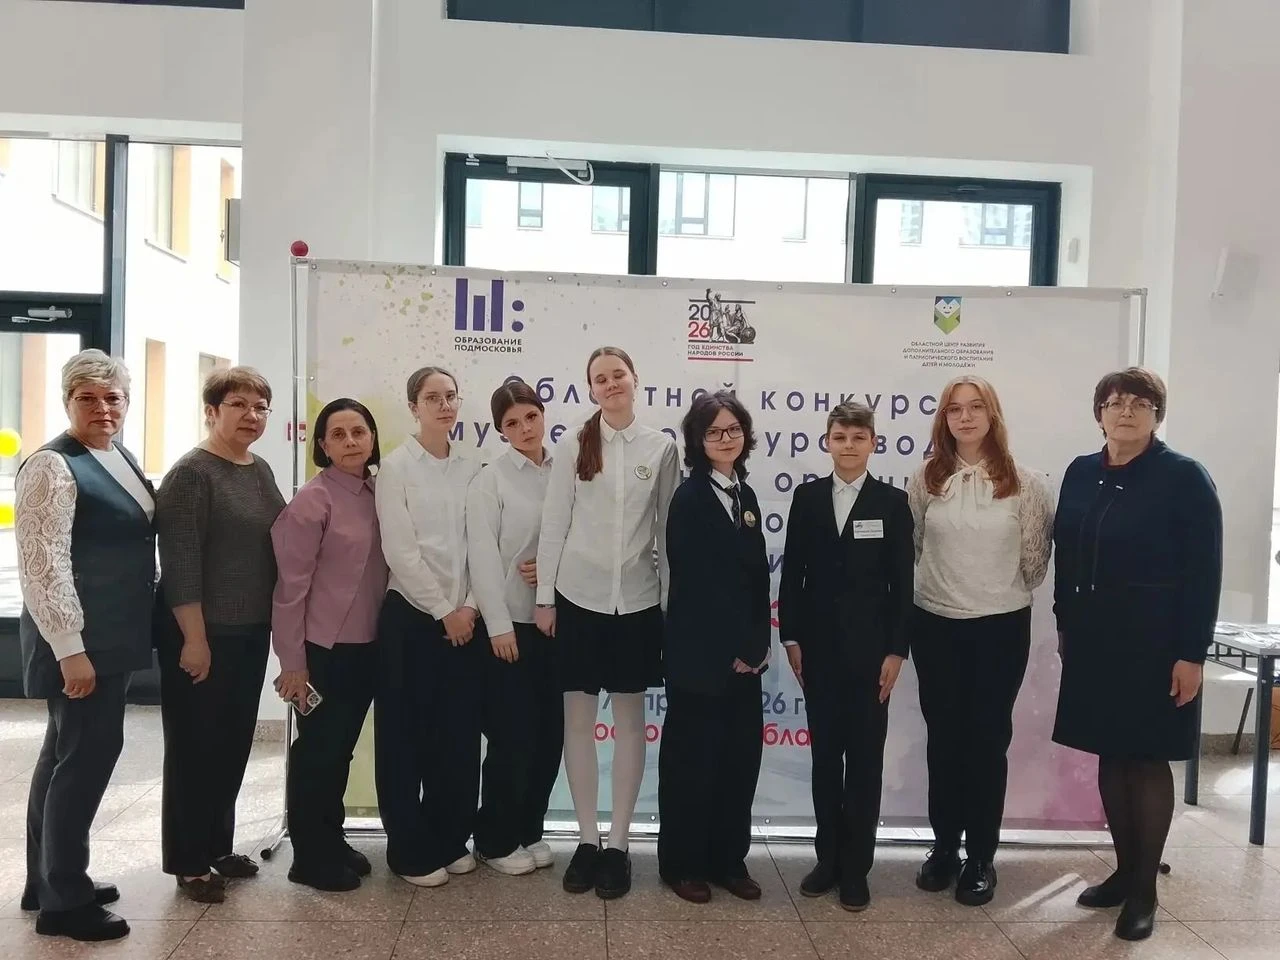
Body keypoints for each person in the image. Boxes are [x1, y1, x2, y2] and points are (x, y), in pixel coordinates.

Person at [1053, 368, 1221, 942]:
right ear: (1098, 412)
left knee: (1146, 760)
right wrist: (1064, 622)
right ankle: (1124, 873)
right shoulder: (1081, 471)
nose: (1126, 412)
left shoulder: (1184, 477)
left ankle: (1145, 889)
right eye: (1115, 402)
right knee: (1111, 754)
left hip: (1156, 644)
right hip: (1093, 640)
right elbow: (1067, 554)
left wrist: (1192, 653)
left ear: (1157, 414)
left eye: (1140, 403)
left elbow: (1204, 571)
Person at [15, 350, 154, 942]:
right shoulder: (52, 465)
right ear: (67, 401)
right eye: (87, 398)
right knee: (86, 759)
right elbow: (42, 564)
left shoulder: (116, 453)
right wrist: (70, 648)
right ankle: (64, 904)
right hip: (79, 642)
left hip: (109, 636)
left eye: (113, 397)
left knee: (63, 756)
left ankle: (46, 880)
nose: (103, 408)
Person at [535, 346, 678, 900]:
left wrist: (668, 603)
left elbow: (665, 531)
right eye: (601, 378)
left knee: (629, 723)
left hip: (637, 604)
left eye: (619, 374)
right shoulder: (574, 443)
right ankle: (587, 840)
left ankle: (618, 844)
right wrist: (545, 599)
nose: (611, 383)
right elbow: (554, 525)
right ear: (590, 389)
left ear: (635, 379)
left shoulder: (660, 447)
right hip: (577, 599)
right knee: (576, 723)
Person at [908, 376, 1053, 907]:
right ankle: (945, 848)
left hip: (999, 628)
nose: (965, 418)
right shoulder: (924, 478)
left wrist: (989, 590)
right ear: (943, 419)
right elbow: (915, 545)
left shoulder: (1027, 484)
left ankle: (981, 858)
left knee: (987, 744)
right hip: (935, 625)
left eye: (975, 408)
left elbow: (1034, 564)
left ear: (993, 415)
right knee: (944, 740)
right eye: (954, 409)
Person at [778, 401, 914, 912]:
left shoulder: (892, 503)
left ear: (873, 443)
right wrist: (792, 638)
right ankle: (827, 860)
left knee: (864, 763)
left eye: (859, 437)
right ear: (827, 442)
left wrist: (897, 650)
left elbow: (903, 585)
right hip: (817, 654)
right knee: (824, 761)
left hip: (871, 658)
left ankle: (856, 868)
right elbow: (793, 574)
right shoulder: (808, 498)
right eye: (840, 437)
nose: (849, 446)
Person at [156, 366, 285, 903]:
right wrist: (194, 639)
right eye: (238, 405)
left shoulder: (258, 468)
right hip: (202, 634)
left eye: (260, 407)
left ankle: (216, 845)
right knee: (195, 747)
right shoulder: (192, 474)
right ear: (211, 411)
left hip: (248, 631)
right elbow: (180, 564)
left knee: (231, 744)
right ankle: (189, 862)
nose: (251, 416)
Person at [657, 391, 771, 905]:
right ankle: (683, 864)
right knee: (692, 765)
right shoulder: (690, 500)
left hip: (746, 662)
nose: (726, 439)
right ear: (697, 442)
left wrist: (757, 645)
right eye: (714, 432)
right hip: (700, 661)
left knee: (738, 763)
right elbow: (696, 587)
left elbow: (756, 580)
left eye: (734, 429)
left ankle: (729, 860)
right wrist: (733, 647)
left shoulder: (746, 497)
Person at [271, 398, 388, 892]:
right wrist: (293, 664)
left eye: (358, 432)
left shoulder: (378, 492)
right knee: (317, 754)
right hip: (322, 653)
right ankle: (309, 856)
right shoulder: (312, 501)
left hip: (369, 647)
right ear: (321, 445)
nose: (350, 442)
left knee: (339, 753)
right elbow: (288, 590)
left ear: (372, 438)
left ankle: (330, 838)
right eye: (337, 435)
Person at [374, 365, 485, 888]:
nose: (444, 405)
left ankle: (449, 837)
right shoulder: (396, 467)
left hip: (466, 618)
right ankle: (408, 849)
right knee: (406, 740)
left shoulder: (471, 466)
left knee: (457, 738)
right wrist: (445, 610)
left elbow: (484, 544)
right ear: (413, 406)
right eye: (433, 397)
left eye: (451, 396)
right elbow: (400, 551)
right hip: (414, 620)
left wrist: (470, 607)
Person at [467, 380, 561, 877]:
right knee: (512, 738)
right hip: (509, 629)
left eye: (530, 417)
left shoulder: (566, 469)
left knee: (549, 738)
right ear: (500, 431)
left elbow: (581, 538)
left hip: (557, 624)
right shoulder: (492, 479)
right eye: (512, 423)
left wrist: (553, 568)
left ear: (542, 414)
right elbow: (482, 557)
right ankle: (495, 839)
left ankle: (529, 830)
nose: (524, 429)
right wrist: (498, 626)